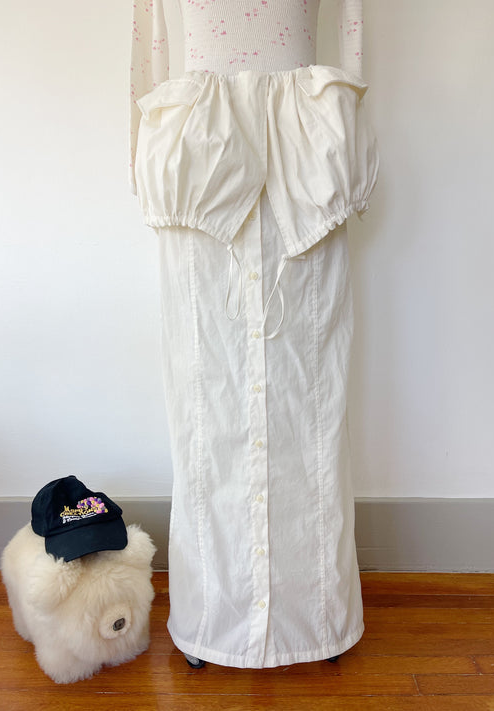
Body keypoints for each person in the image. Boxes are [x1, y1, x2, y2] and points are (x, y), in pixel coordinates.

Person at [130, 0, 379, 669]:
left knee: (312, 405)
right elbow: (150, 45)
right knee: (205, 405)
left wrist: (346, 135)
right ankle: (215, 615)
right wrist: (146, 158)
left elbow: (352, 31)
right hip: (200, 163)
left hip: (306, 163)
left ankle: (315, 617)